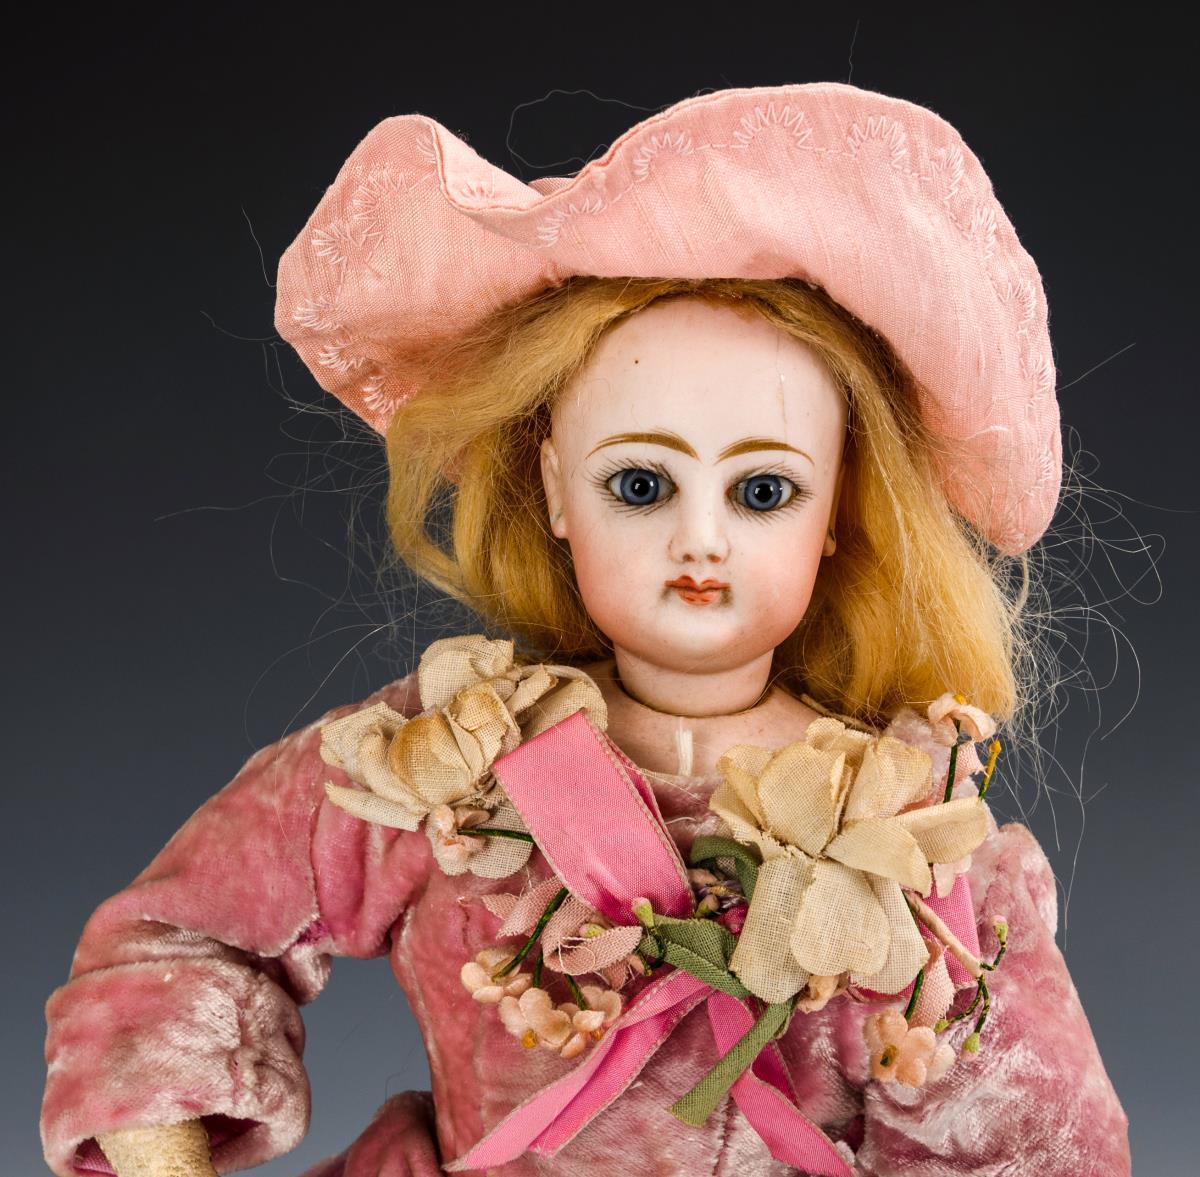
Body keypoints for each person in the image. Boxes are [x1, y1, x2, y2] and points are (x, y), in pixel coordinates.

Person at [40, 83, 1131, 1176]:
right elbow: (179, 936)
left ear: (839, 509)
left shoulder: (908, 834)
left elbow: (1036, 1146)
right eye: (641, 484)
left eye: (763, 492)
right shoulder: (446, 763)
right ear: (559, 490)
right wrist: (163, 1155)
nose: (699, 540)